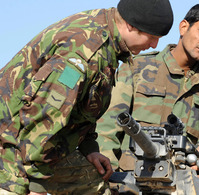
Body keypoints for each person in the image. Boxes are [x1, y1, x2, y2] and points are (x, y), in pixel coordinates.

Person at [0, 0, 173, 194]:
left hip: (45, 147)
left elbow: (82, 106)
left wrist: (89, 148)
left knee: (98, 188)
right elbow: (43, 118)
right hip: (12, 145)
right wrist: (36, 187)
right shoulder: (84, 53)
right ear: (130, 25)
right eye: (151, 36)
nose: (154, 45)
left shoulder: (109, 36)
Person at [97, 2, 199, 176]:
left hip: (179, 186)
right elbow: (108, 127)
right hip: (129, 182)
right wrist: (108, 177)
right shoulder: (137, 68)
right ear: (184, 27)